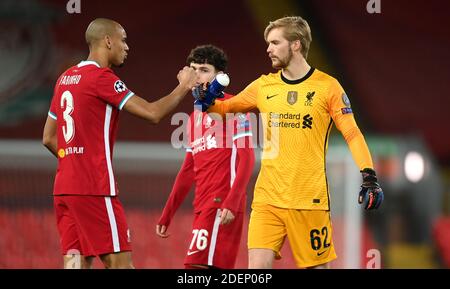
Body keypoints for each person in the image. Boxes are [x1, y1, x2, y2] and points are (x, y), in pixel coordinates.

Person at [195, 16, 384, 269]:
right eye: (268, 43)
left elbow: (352, 133)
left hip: (309, 201)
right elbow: (225, 109)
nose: (268, 49)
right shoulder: (263, 85)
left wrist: (369, 175)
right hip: (267, 199)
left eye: (275, 43)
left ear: (295, 45)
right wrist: (206, 102)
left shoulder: (328, 87)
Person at [42, 18, 197, 269]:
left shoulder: (65, 79)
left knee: (75, 264)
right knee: (121, 265)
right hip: (94, 188)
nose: (127, 47)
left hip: (64, 189)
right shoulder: (102, 78)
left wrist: (73, 160)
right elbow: (152, 113)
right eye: (123, 40)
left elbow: (48, 138)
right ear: (107, 41)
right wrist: (183, 86)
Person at [155, 45, 255, 269]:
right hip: (202, 205)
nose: (196, 75)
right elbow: (188, 170)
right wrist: (167, 213)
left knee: (195, 268)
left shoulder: (235, 107)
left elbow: (247, 159)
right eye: (192, 69)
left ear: (220, 76)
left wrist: (232, 201)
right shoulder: (193, 119)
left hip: (222, 203)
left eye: (203, 69)